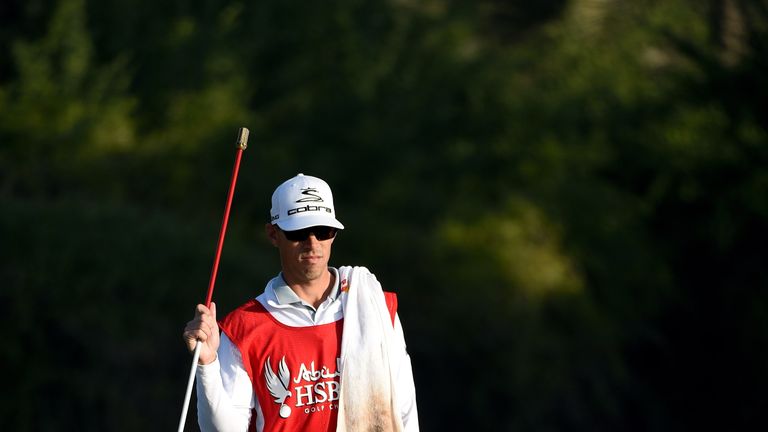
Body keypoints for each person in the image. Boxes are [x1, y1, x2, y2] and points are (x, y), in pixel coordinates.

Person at [183, 173, 419, 432]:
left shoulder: (375, 306)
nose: (312, 243)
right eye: (298, 232)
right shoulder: (242, 329)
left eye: (323, 231)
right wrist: (207, 364)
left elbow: (404, 412)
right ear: (273, 235)